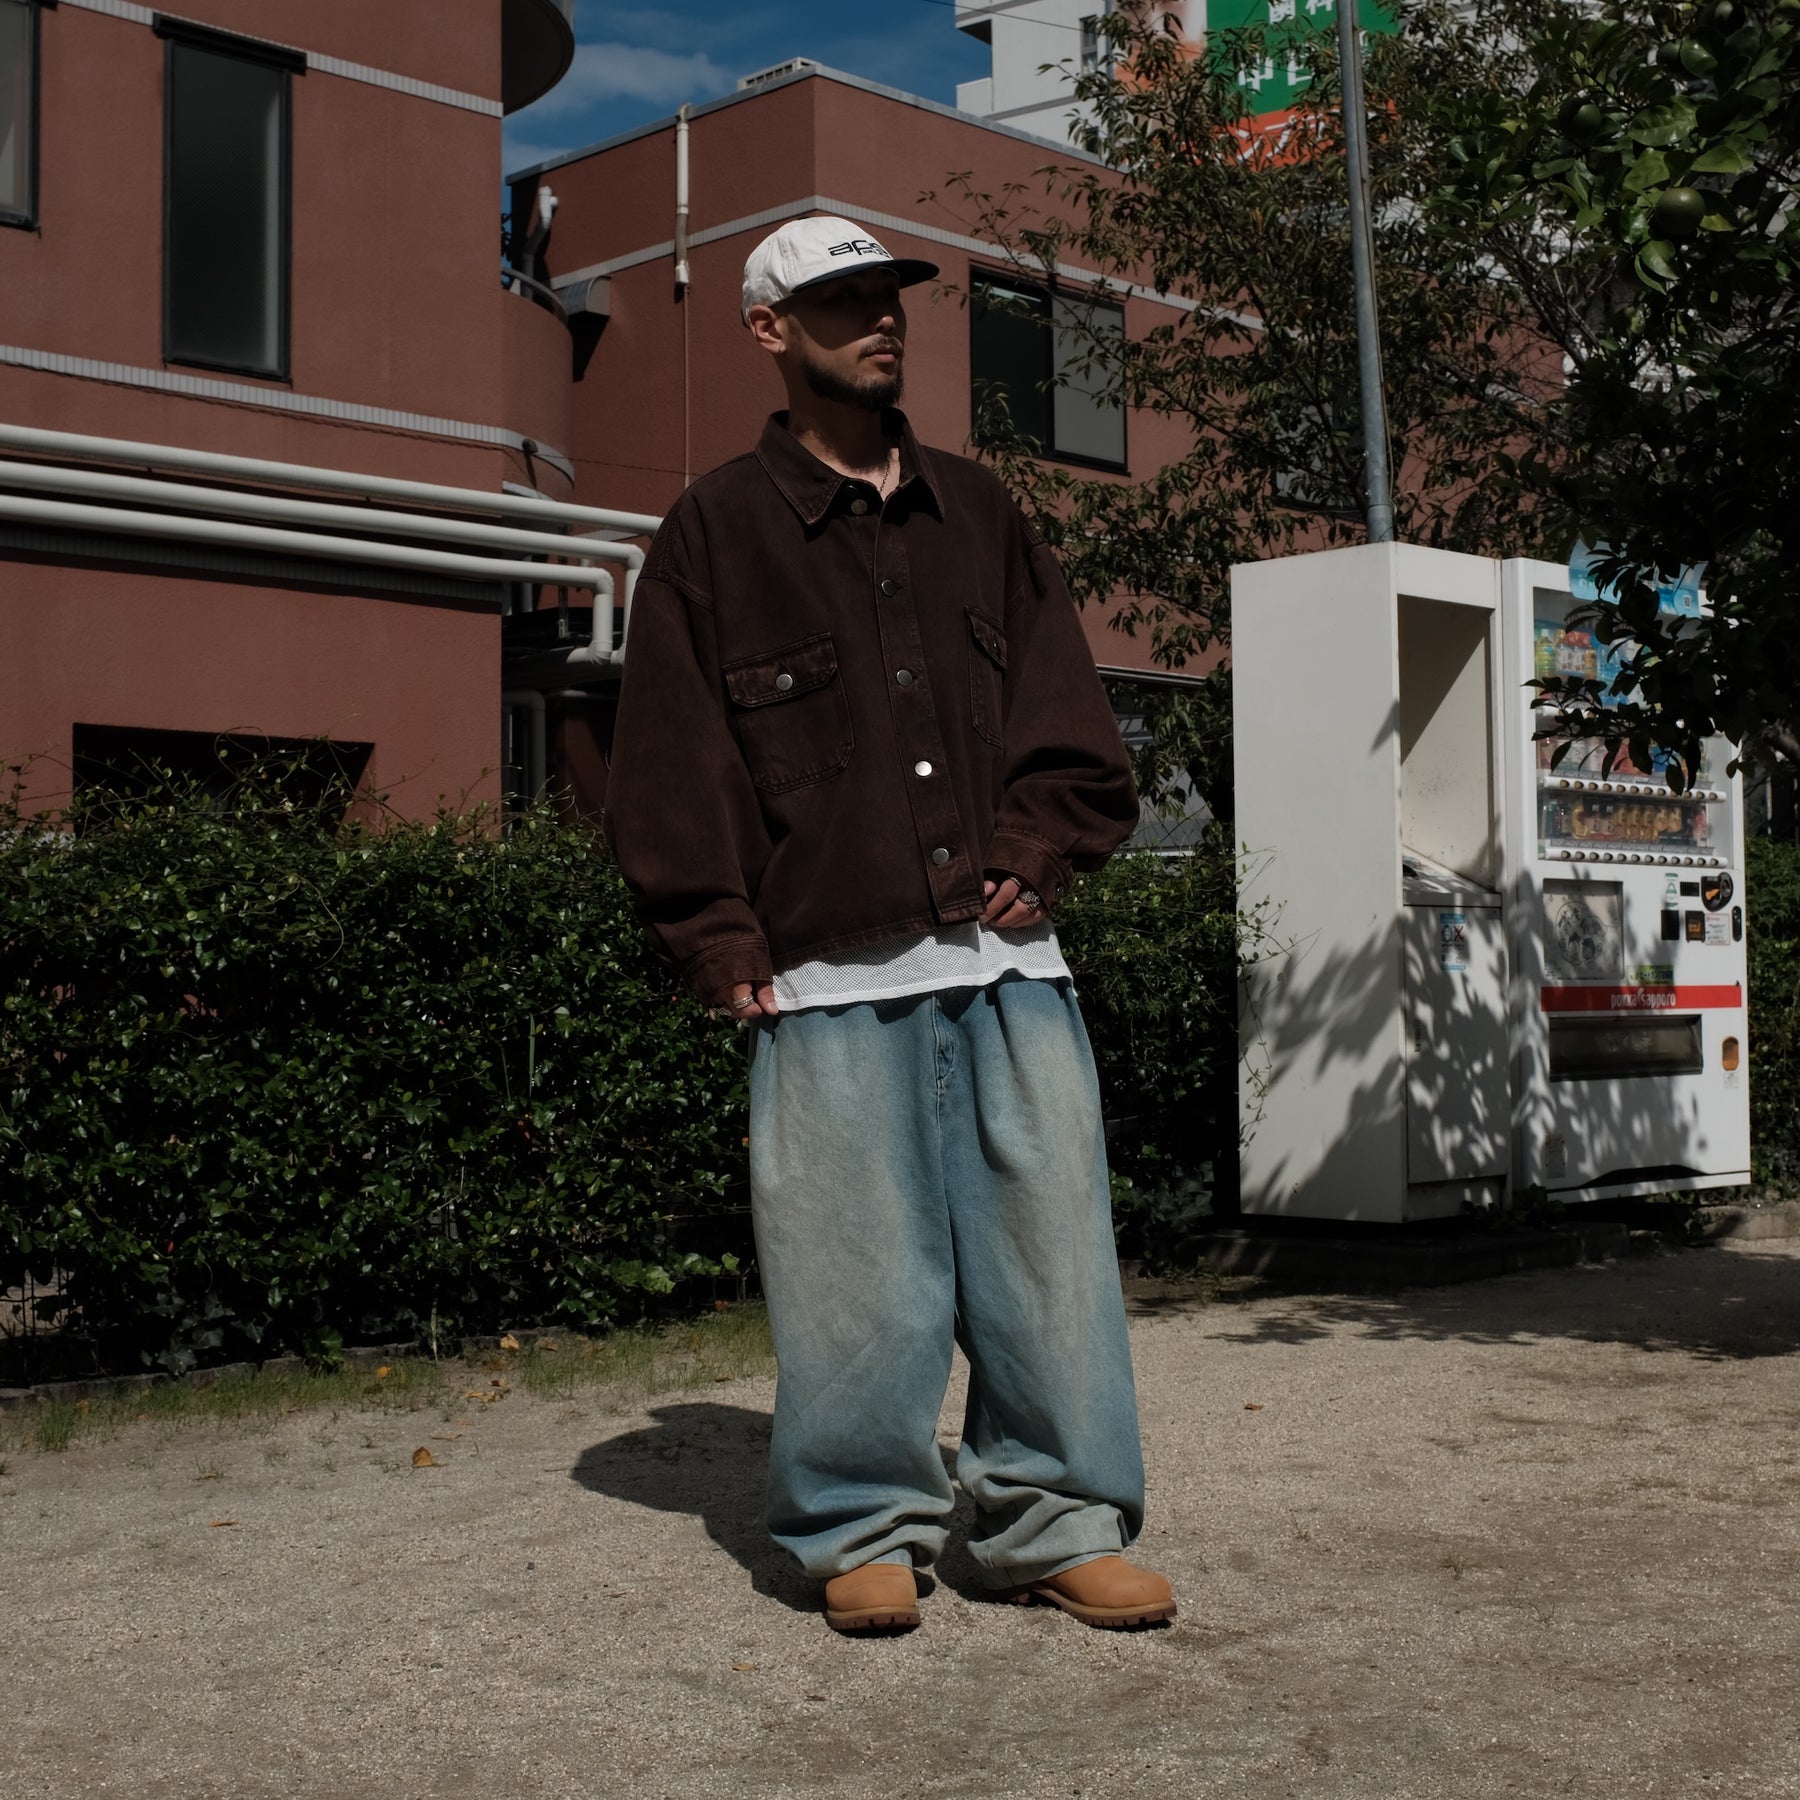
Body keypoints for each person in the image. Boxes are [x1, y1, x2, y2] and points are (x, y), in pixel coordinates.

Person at [605, 214, 1175, 1635]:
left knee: (1052, 1257)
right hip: (823, 969)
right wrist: (717, 937)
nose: (881, 319)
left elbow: (1070, 724)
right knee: (855, 1275)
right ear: (769, 330)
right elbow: (673, 761)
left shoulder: (983, 514)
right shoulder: (715, 531)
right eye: (842, 300)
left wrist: (1041, 843)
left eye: (889, 297)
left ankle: (1051, 1517)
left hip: (1010, 968)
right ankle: (862, 1520)